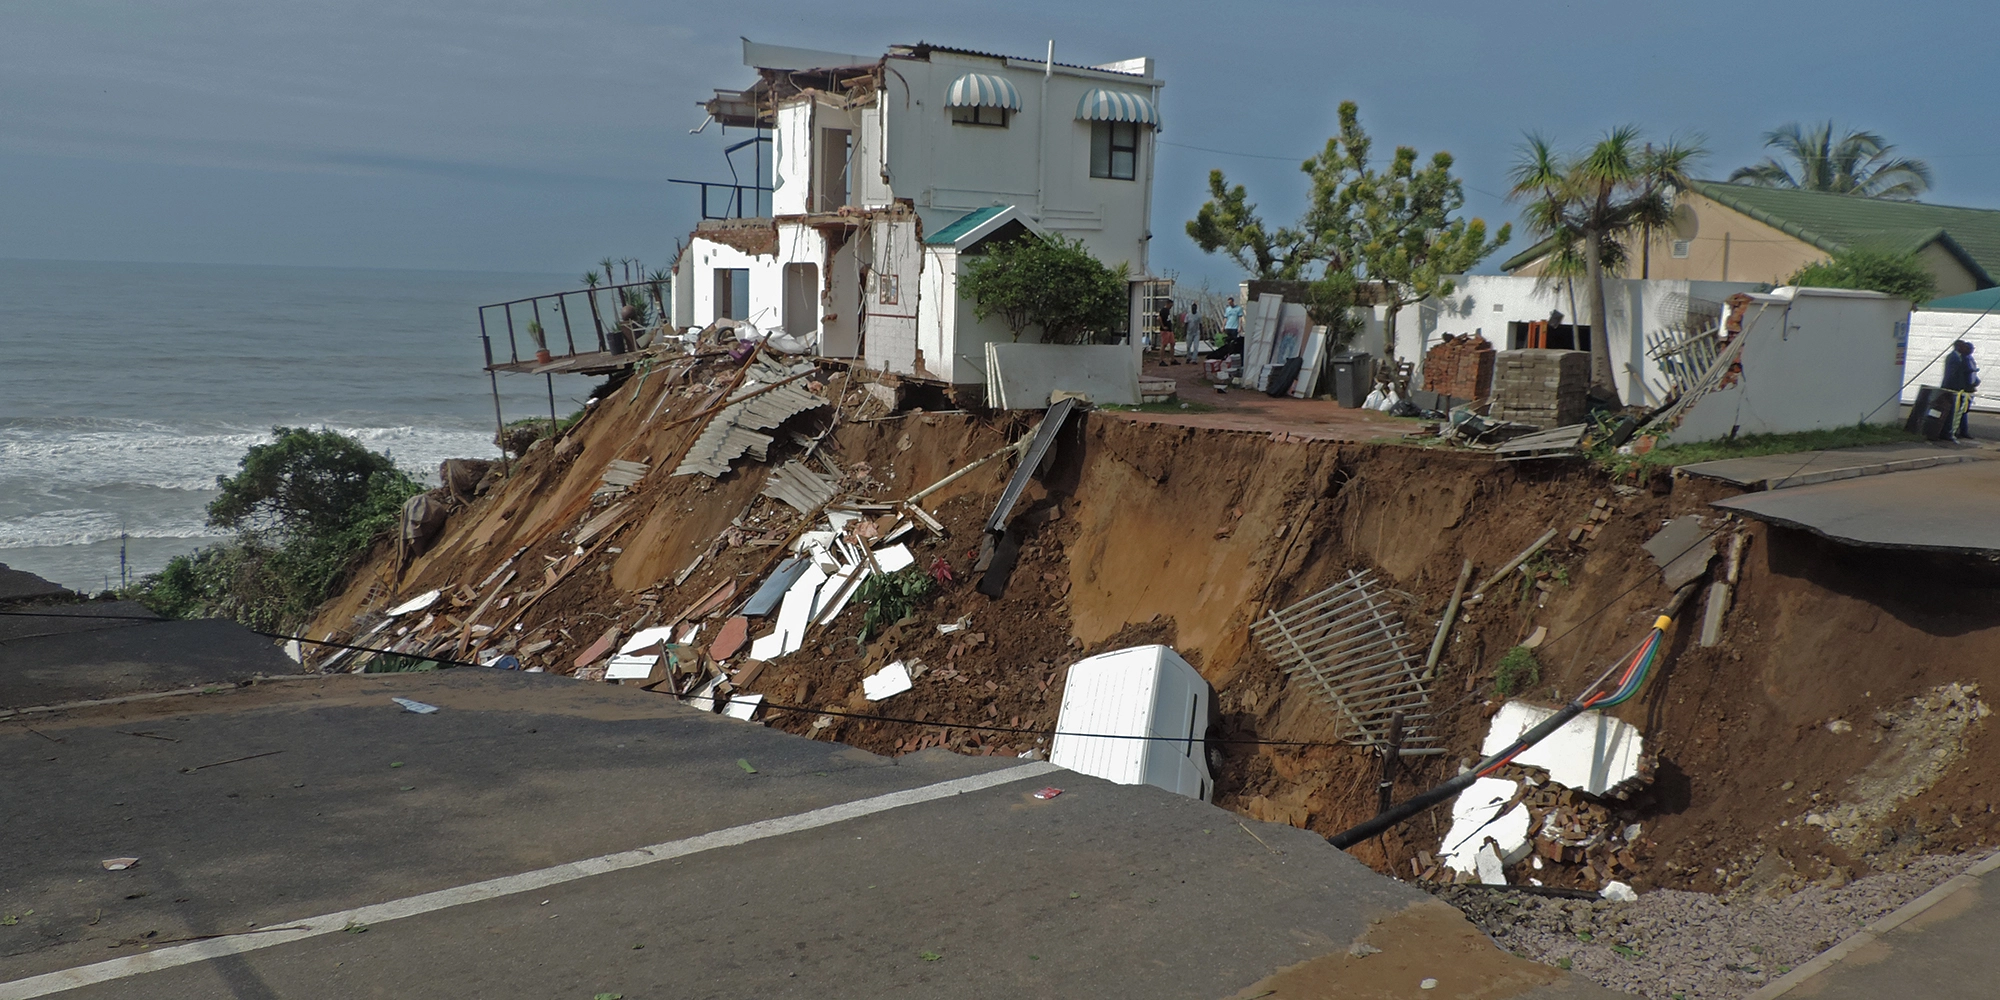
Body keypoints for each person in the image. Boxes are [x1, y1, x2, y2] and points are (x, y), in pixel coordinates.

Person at [1942, 340, 1981, 439]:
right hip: (1955, 389)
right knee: (1954, 412)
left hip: (1965, 389)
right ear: (1958, 347)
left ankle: (1959, 431)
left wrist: (1974, 381)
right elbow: (1952, 375)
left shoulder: (1964, 358)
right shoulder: (1954, 358)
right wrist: (1959, 388)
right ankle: (1948, 432)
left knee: (1961, 411)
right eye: (1964, 346)